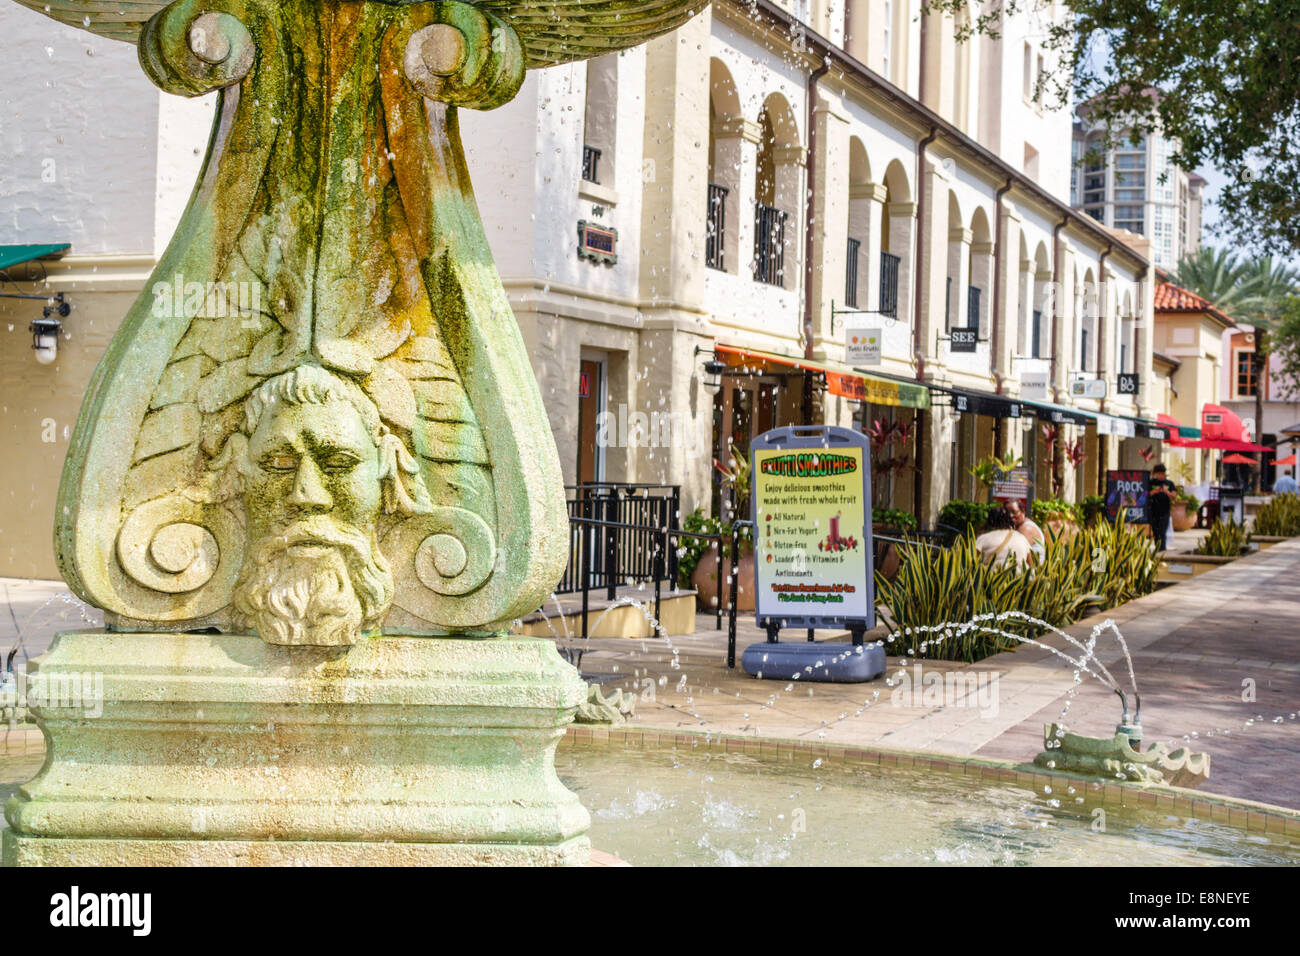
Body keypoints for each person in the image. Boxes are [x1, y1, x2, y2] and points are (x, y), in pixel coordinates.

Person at [1147, 463, 1177, 551]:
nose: (1161, 475)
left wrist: (1166, 491)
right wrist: (1154, 491)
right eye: (1159, 473)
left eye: (1162, 473)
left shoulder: (1169, 483)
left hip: (1165, 511)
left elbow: (1174, 496)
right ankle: (1158, 549)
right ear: (1156, 474)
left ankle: (1163, 549)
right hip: (1153, 510)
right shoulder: (1151, 482)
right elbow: (1145, 495)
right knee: (1156, 532)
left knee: (1162, 531)